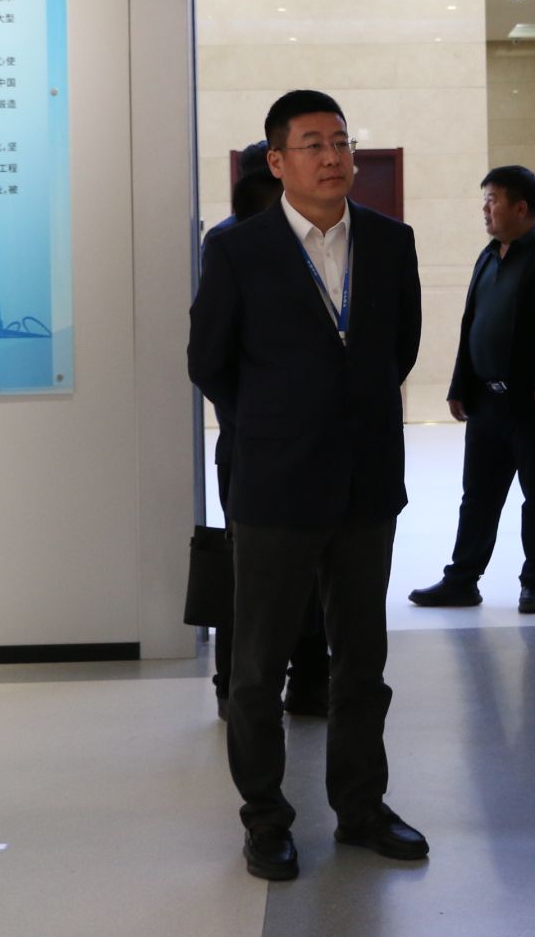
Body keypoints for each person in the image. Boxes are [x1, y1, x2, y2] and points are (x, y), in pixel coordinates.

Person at [188, 89, 428, 882]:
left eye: (341, 141)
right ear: (278, 160)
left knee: (361, 660)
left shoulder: (391, 241)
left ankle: (361, 806)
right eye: (313, 144)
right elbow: (208, 361)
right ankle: (265, 817)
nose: (332, 157)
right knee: (259, 667)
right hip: (275, 486)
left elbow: (399, 348)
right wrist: (276, 424)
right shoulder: (237, 248)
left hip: (366, 482)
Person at [200, 143, 328, 719]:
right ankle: (257, 686)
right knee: (260, 570)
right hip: (253, 442)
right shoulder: (232, 244)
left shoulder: (321, 239)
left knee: (273, 569)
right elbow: (211, 356)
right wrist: (255, 418)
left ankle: (273, 685)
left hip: (283, 439)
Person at [410, 166, 535, 612]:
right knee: (477, 497)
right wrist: (459, 384)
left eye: (492, 200)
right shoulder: (489, 255)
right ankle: (462, 580)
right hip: (485, 402)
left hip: (530, 404)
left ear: (521, 207)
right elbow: (471, 323)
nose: (484, 209)